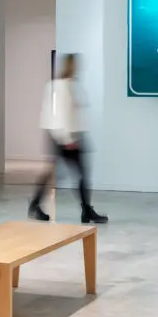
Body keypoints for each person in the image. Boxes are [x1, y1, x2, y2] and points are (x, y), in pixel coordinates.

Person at [28, 53, 108, 224]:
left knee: (53, 172)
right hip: (68, 136)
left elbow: (48, 113)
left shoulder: (53, 85)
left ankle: (35, 206)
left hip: (55, 134)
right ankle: (86, 211)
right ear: (73, 66)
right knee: (81, 174)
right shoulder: (65, 86)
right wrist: (68, 139)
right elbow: (62, 114)